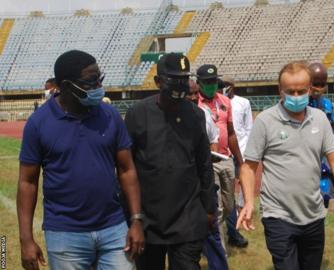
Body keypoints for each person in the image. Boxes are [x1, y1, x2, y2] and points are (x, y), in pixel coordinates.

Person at [17, 50, 144, 270]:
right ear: (65, 86)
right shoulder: (39, 123)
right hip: (65, 232)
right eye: (90, 82)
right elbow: (27, 182)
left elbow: (127, 170)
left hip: (113, 228)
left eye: (99, 80)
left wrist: (135, 220)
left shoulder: (110, 115)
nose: (98, 88)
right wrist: (26, 239)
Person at [237, 61, 334, 270]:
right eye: (290, 91)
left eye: (301, 91)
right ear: (280, 91)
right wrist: (248, 202)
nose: (295, 96)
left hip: (314, 215)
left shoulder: (320, 119)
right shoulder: (265, 121)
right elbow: (248, 167)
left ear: (310, 89)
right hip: (278, 216)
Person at [125, 53, 216, 270]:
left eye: (183, 79)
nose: (179, 85)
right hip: (149, 219)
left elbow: (204, 164)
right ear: (158, 82)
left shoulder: (196, 115)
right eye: (173, 79)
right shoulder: (137, 114)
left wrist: (209, 208)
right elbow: (126, 167)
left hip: (188, 218)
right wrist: (132, 217)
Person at [197, 65, 244, 240]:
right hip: (209, 161)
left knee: (229, 205)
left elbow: (231, 133)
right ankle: (218, 248)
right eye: (206, 82)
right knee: (216, 206)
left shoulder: (225, 101)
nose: (210, 85)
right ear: (199, 83)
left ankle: (210, 232)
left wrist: (240, 160)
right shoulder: (196, 102)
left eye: (213, 82)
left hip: (226, 159)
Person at [188, 78, 228, 270]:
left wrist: (209, 160)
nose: (195, 97)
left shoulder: (203, 114)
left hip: (203, 182)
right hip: (181, 187)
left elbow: (213, 139)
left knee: (211, 231)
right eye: (191, 93)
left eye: (197, 93)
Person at [222, 76, 252, 248]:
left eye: (228, 85)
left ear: (233, 86)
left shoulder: (243, 103)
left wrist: (245, 154)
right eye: (223, 85)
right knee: (226, 194)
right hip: (223, 153)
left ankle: (233, 230)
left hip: (240, 151)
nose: (226, 88)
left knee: (237, 189)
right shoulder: (219, 103)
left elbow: (248, 128)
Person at [308, 63, 334, 139]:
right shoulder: (301, 103)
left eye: (322, 85)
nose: (318, 88)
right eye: (315, 84)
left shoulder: (327, 104)